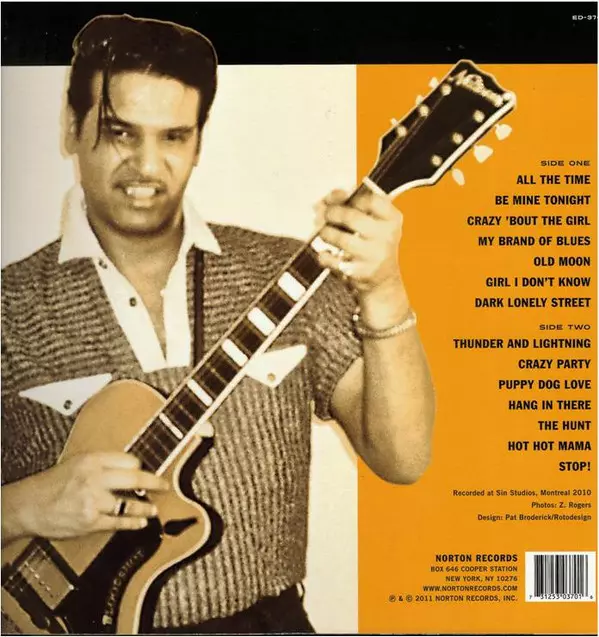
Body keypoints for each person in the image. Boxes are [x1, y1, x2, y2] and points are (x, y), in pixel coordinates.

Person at [1, 14, 435, 634]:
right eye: (120, 133)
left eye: (174, 137)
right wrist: (21, 507)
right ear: (71, 128)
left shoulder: (285, 274)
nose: (147, 165)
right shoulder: (10, 304)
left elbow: (404, 457)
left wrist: (382, 286)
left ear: (199, 143)